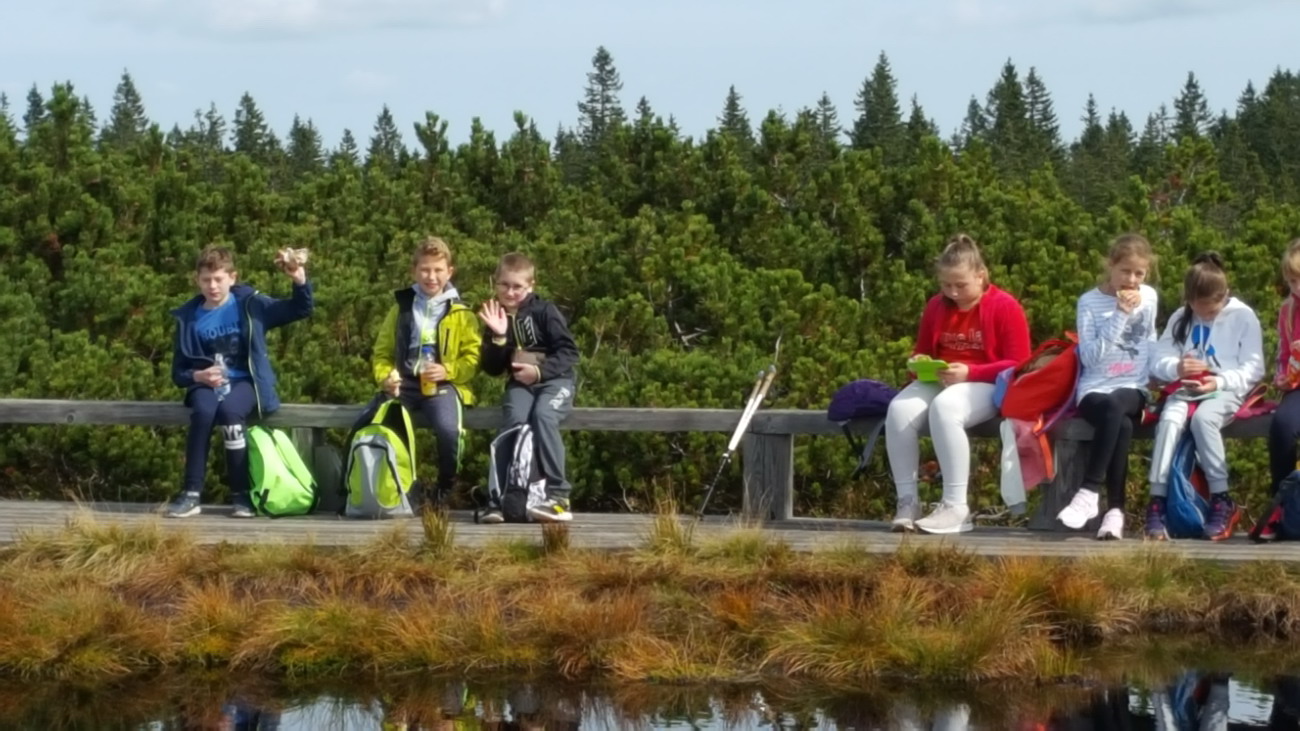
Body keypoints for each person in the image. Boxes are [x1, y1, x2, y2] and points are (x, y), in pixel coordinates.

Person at [885, 233, 1031, 534]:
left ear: (981, 275)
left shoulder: (1005, 306)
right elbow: (921, 349)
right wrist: (919, 364)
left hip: (987, 382)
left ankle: (955, 506)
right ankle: (907, 501)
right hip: (941, 378)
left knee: (946, 407)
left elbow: (1019, 363)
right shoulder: (936, 306)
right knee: (898, 410)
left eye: (961, 285)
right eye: (946, 285)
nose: (953, 292)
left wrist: (971, 372)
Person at [166, 245, 312, 518]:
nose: (212, 286)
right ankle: (191, 494)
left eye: (218, 279)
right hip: (205, 385)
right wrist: (198, 376)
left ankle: (241, 496)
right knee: (203, 412)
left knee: (230, 413)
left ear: (232, 278)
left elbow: (300, 309)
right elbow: (178, 372)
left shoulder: (251, 305)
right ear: (197, 280)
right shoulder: (188, 318)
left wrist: (299, 280)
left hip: (246, 382)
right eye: (206, 280)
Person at [1145, 252, 1264, 541]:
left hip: (1225, 390)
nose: (1205, 315)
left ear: (1225, 295)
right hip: (1185, 389)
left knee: (1203, 420)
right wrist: (1177, 367)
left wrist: (1219, 381)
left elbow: (1254, 367)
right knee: (1170, 420)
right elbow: (1158, 360)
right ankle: (1157, 500)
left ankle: (1221, 498)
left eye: (1211, 311)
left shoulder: (1243, 316)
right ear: (1189, 300)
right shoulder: (1181, 317)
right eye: (1199, 309)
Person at [1056, 234, 1158, 540]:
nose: (1131, 280)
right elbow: (1090, 357)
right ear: (1110, 266)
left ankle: (1089, 490)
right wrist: (1120, 314)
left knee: (1117, 405)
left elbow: (1150, 339)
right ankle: (1115, 511)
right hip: (1095, 388)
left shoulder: (1149, 297)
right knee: (1120, 424)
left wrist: (1159, 375)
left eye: (1139, 273)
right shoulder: (1089, 302)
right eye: (1125, 271)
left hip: (1133, 386)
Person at [371, 236, 481, 508]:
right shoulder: (401, 308)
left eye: (438, 270)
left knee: (448, 430)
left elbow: (473, 358)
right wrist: (386, 377)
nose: (431, 277)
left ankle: (446, 487)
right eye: (425, 270)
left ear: (450, 272)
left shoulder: (462, 313)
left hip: (442, 386)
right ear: (414, 271)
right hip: (404, 384)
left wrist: (447, 370)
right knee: (381, 425)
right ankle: (402, 487)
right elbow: (382, 353)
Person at [477, 252, 579, 523]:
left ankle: (558, 496)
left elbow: (569, 352)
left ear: (531, 285)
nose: (510, 292)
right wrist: (499, 336)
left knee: (543, 416)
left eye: (517, 286)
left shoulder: (545, 311)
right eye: (504, 285)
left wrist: (539, 372)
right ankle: (496, 499)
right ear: (495, 283)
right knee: (513, 421)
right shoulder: (495, 314)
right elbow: (492, 368)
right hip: (520, 385)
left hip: (556, 382)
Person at [1269, 238, 1300, 501]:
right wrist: (1281, 376)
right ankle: (1282, 501)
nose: (1297, 287)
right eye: (1292, 281)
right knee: (1282, 425)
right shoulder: (1288, 310)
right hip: (1297, 386)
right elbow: (1284, 354)